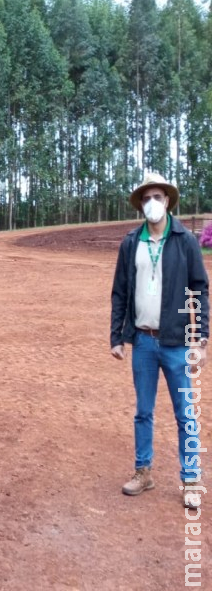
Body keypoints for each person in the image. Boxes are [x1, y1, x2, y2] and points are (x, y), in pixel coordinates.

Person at [110, 172, 208, 509]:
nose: (152, 202)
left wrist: (201, 337)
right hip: (144, 342)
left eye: (158, 197)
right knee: (143, 411)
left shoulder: (184, 241)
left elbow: (199, 288)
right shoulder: (131, 243)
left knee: (185, 413)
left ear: (167, 201)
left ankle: (191, 478)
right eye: (147, 198)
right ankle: (143, 471)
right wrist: (117, 337)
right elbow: (120, 292)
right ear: (141, 204)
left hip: (179, 343)